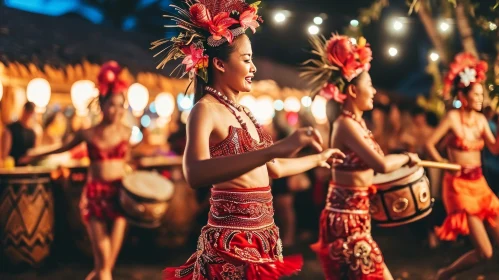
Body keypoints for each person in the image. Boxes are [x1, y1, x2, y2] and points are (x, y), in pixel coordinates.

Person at [151, 1, 345, 279]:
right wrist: (274, 149)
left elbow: (274, 168)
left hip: (263, 235)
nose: (253, 67)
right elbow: (194, 173)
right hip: (231, 241)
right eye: (246, 60)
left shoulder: (244, 112)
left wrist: (318, 158)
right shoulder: (204, 110)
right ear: (218, 63)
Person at [301, 34, 421, 280]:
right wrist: (407, 157)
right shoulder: (346, 125)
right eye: (370, 86)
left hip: (355, 217)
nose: (375, 91)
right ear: (353, 90)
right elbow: (382, 165)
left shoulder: (356, 124)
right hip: (345, 222)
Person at [20, 61, 131, 280]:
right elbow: (61, 147)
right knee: (104, 264)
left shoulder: (127, 133)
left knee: (104, 266)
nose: (117, 110)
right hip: (95, 195)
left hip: (119, 195)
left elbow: (128, 161)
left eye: (121, 105)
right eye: (112, 105)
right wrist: (35, 155)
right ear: (102, 105)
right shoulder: (87, 134)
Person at [424, 53, 499, 280]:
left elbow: (494, 149)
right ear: (462, 95)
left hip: (480, 185)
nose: (480, 98)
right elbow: (428, 144)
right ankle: (445, 274)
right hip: (458, 186)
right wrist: (444, 163)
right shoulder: (452, 118)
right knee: (485, 252)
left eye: (481, 94)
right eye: (475, 94)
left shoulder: (482, 120)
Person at [1, 101, 37, 165]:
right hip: (11, 167)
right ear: (23, 111)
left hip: (27, 168)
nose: (28, 115)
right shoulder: (10, 128)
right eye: (28, 112)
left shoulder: (33, 132)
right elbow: (4, 154)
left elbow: (34, 152)